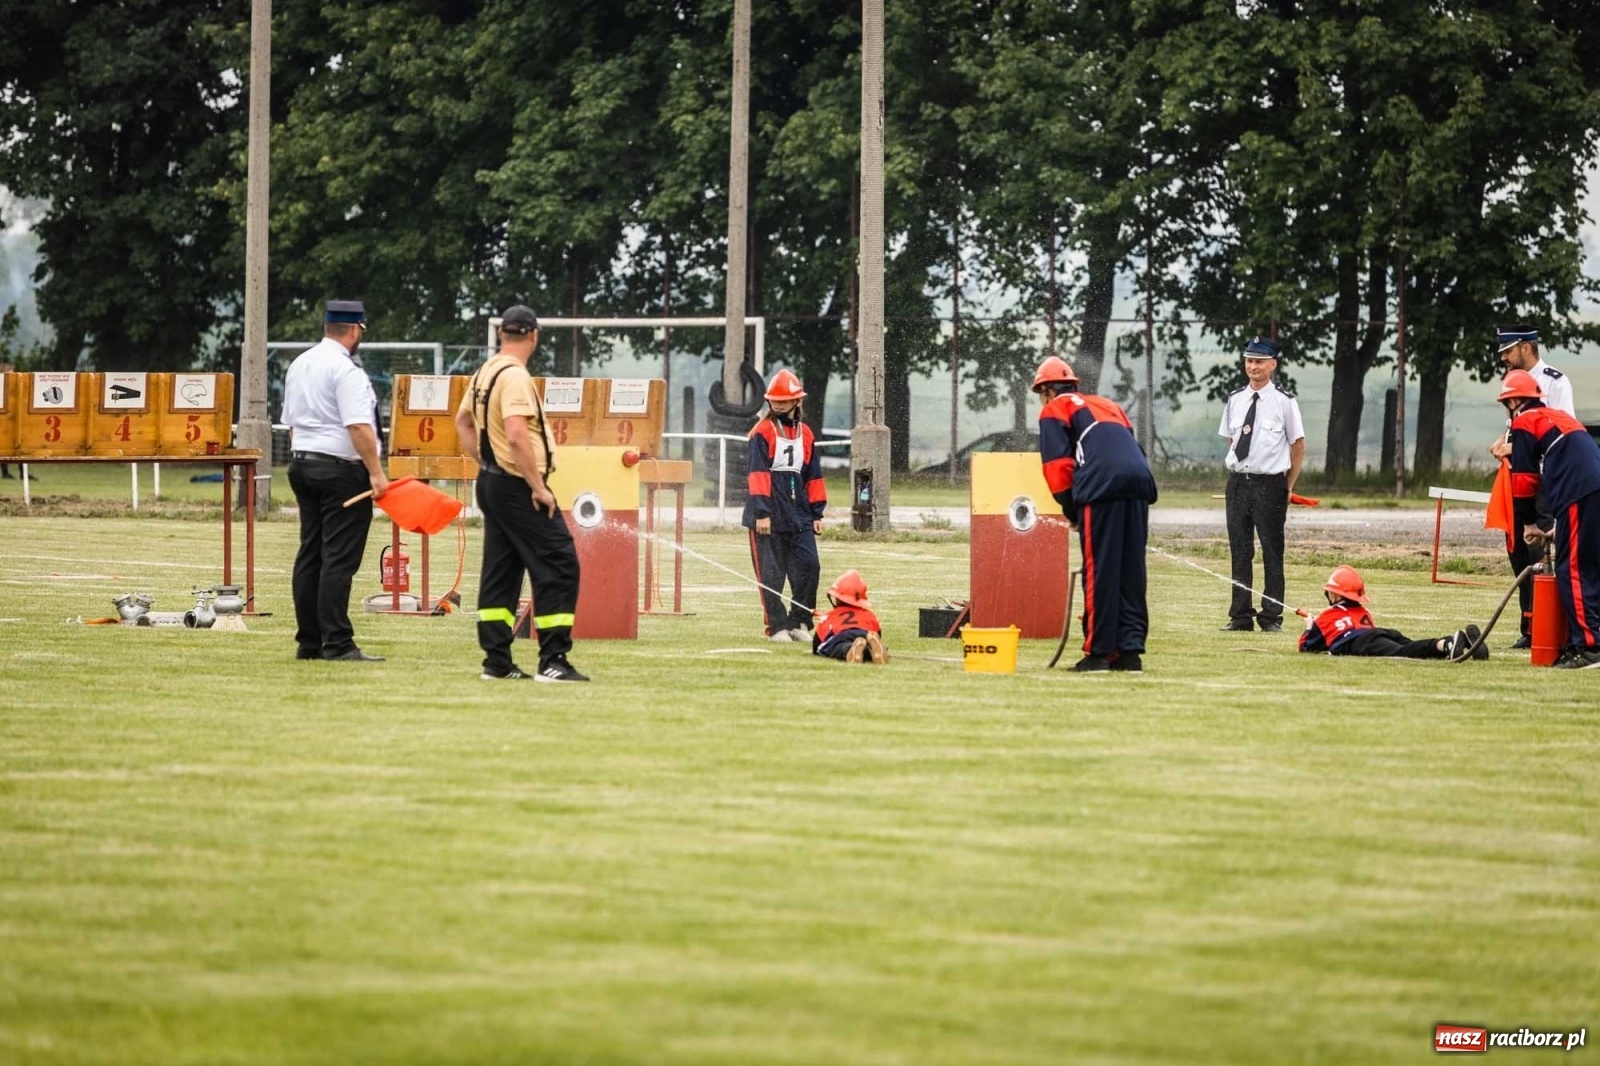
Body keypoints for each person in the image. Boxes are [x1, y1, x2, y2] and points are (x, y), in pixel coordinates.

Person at [453, 304, 588, 682]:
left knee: (502, 570)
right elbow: (516, 433)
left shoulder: (486, 371)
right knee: (560, 564)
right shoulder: (514, 376)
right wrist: (538, 487)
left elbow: (462, 421)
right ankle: (553, 660)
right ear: (533, 335)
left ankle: (496, 661)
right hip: (518, 486)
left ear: (501, 334)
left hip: (492, 481)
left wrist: (485, 460)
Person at [1033, 355, 1158, 672]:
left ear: (1046, 389)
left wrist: (1071, 509)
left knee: (1099, 570)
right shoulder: (1107, 404)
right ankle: (1129, 652)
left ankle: (1098, 652)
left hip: (1101, 487)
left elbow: (1057, 467)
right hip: (1139, 482)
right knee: (1131, 569)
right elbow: (1131, 447)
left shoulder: (1055, 409)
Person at [282, 299, 390, 662]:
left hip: (302, 463)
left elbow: (292, 424)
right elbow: (358, 426)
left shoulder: (300, 364)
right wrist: (376, 473)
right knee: (338, 559)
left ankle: (309, 642)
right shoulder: (347, 371)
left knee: (310, 554)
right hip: (341, 470)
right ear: (356, 330)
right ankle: (337, 642)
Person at [1498, 369, 1600, 668]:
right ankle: (1579, 640)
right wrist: (1558, 526)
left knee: (1573, 570)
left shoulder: (1524, 421)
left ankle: (1590, 648)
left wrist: (1529, 522)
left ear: (1515, 400)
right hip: (1589, 492)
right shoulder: (1557, 416)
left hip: (1578, 494)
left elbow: (1524, 480)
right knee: (1590, 566)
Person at [1487, 325, 1576, 649]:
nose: (1505, 359)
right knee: (1518, 553)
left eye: (1508, 352)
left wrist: (1521, 448)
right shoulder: (1512, 383)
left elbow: (1563, 428)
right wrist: (1502, 443)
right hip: (1517, 477)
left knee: (1543, 551)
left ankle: (1555, 626)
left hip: (1544, 481)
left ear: (1525, 347)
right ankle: (1530, 628)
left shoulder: (1554, 381)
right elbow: (1517, 428)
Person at [1217, 336, 1305, 633]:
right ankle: (1240, 615)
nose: (1253, 366)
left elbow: (1298, 444)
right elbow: (1233, 439)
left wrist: (1288, 484)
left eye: (1259, 361)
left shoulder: (1284, 401)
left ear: (1272, 365)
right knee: (1240, 550)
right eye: (1249, 361)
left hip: (1270, 484)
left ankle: (1271, 616)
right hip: (1239, 482)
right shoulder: (1235, 399)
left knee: (1271, 550)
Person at [742, 368, 826, 642]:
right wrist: (762, 513)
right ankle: (776, 626)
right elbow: (757, 474)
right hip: (768, 515)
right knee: (772, 574)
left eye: (784, 399)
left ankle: (799, 621)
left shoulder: (807, 434)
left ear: (797, 401)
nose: (778, 403)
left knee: (809, 566)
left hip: (799, 515)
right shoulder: (762, 432)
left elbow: (813, 475)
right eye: (774, 399)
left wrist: (816, 512)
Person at [1298, 565, 1488, 661]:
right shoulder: (1363, 611)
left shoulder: (1326, 616)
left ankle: (1446, 644)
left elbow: (1306, 647)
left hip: (1360, 642)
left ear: (1334, 593)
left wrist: (1309, 626)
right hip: (1381, 632)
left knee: (1403, 653)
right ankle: (1458, 641)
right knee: (1413, 646)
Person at [812, 569, 887, 664]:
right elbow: (878, 632)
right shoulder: (868, 614)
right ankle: (873, 651)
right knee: (867, 649)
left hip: (841, 636)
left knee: (839, 648)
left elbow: (817, 645)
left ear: (838, 599)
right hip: (866, 633)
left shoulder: (830, 616)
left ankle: (850, 650)